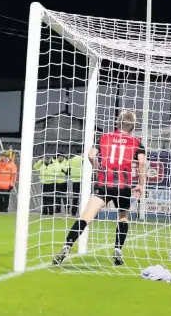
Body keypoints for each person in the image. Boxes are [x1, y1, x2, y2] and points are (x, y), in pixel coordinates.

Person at [53, 110, 146, 266]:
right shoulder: (137, 141)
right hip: (123, 186)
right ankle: (118, 249)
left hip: (104, 184)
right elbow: (142, 163)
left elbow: (91, 155)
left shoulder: (104, 137)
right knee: (122, 217)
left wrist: (98, 169)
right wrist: (141, 184)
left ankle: (67, 245)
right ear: (132, 126)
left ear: (118, 122)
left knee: (86, 217)